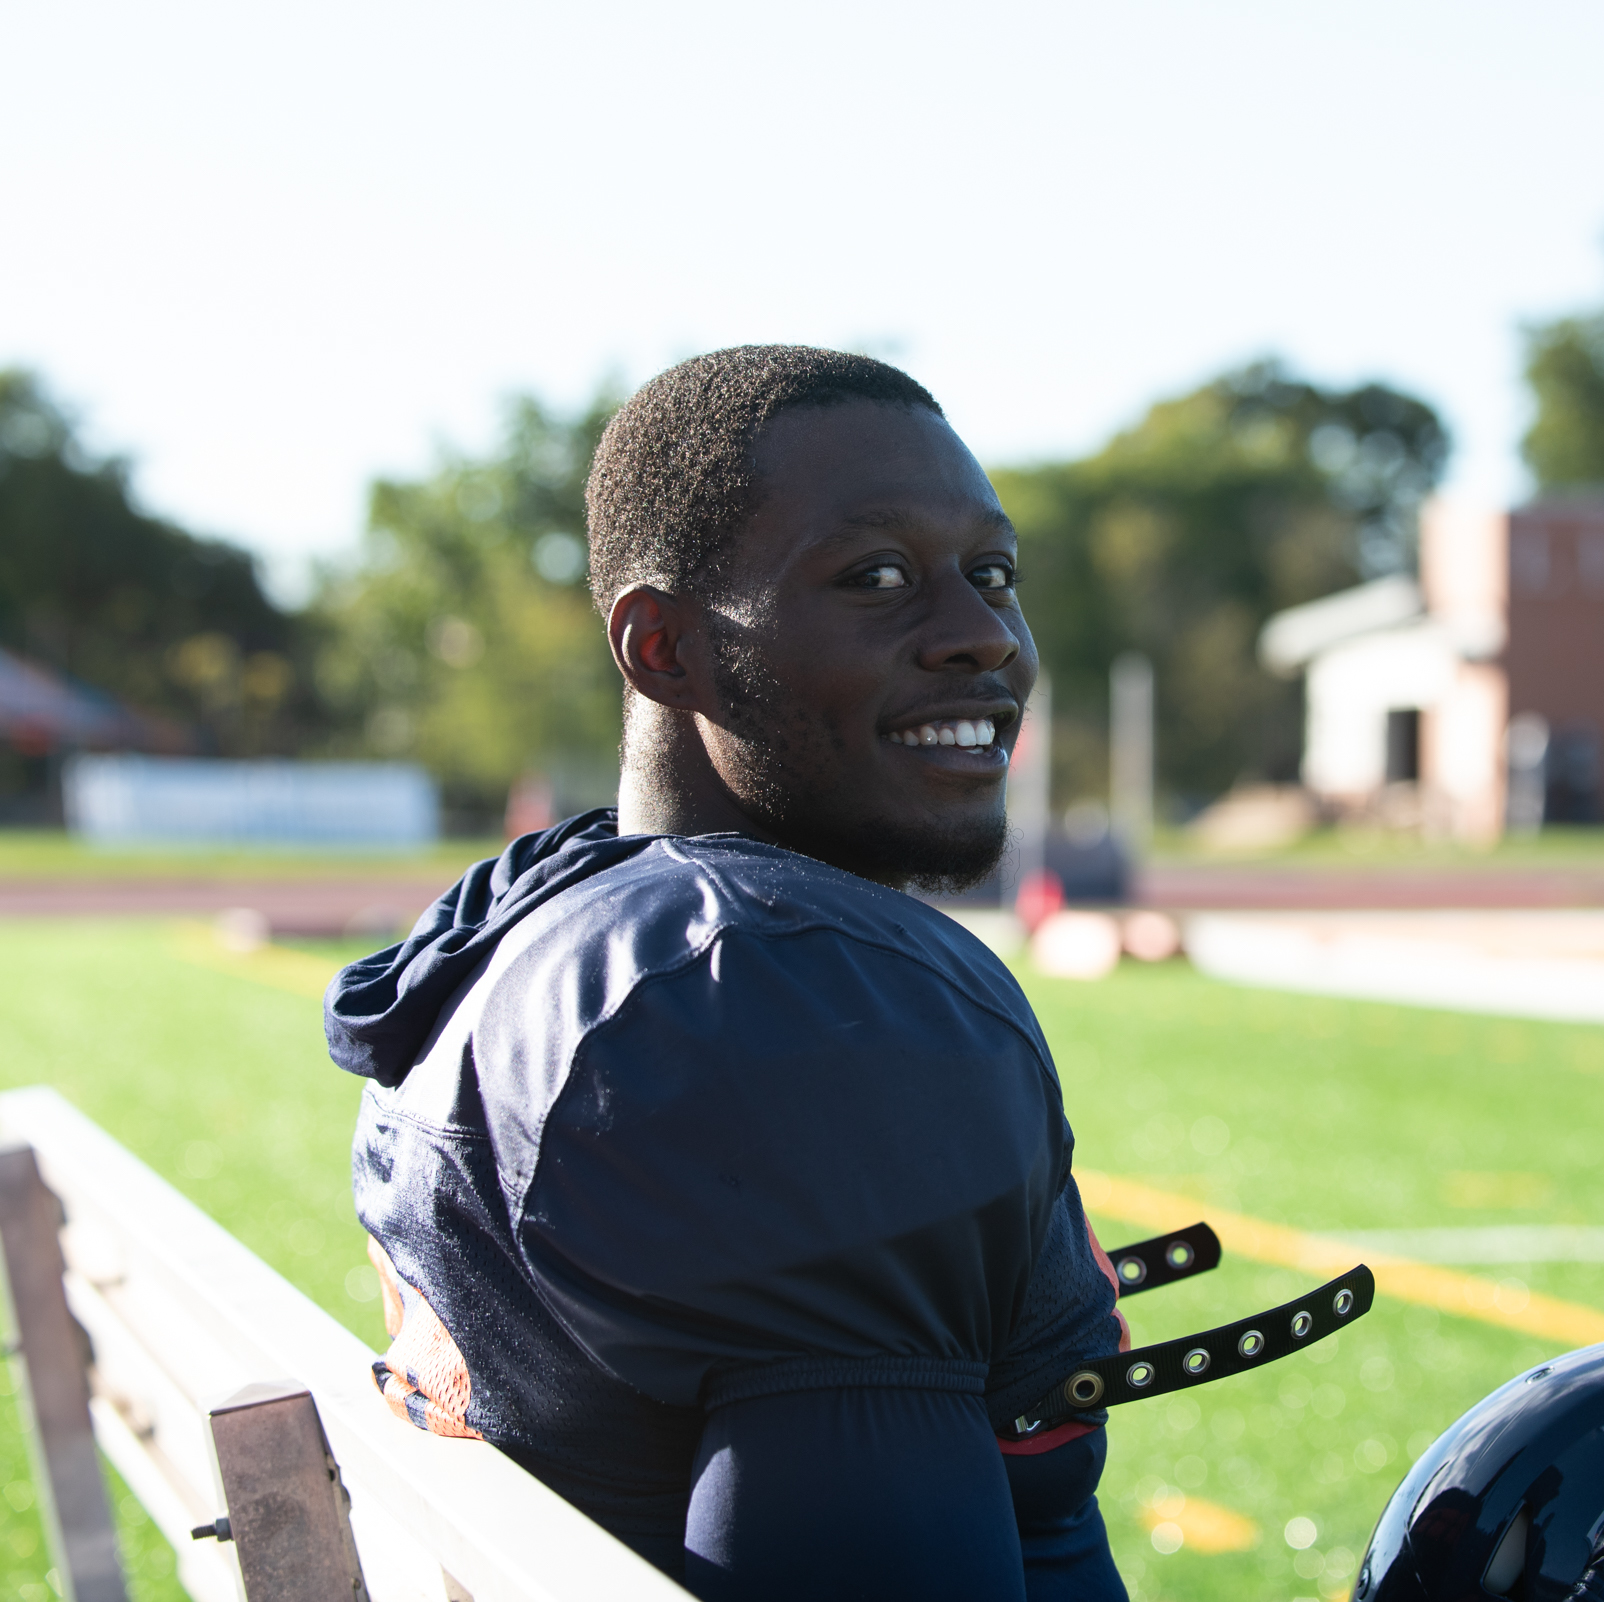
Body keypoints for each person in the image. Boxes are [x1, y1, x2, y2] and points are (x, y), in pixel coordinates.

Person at [324, 347, 1129, 1600]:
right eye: (876, 578)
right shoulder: (782, 1002)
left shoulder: (548, 913)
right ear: (665, 649)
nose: (983, 635)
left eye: (993, 574)